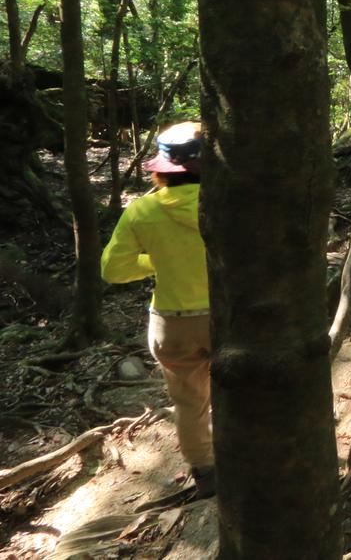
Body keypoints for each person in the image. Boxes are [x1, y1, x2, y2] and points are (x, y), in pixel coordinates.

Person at [101, 121, 214, 498]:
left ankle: (206, 472)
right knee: (244, 387)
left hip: (173, 325)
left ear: (163, 171)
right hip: (229, 316)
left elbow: (113, 270)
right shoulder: (231, 203)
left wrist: (157, 262)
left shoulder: (142, 211)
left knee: (189, 402)